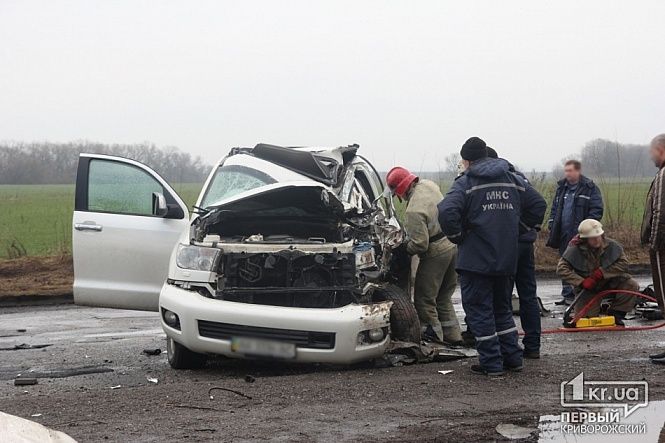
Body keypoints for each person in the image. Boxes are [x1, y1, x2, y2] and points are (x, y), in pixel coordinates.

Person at [438, 137, 544, 376]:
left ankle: (491, 363)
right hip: (507, 258)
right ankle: (513, 358)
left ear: (466, 160)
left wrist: (458, 235)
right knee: (502, 309)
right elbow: (538, 204)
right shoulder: (513, 179)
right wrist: (517, 230)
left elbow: (446, 211)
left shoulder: (466, 183)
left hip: (476, 261)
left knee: (479, 310)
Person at [385, 166, 464, 346]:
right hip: (453, 246)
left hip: (436, 253)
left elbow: (421, 244)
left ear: (400, 191)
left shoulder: (413, 211)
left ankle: (434, 339)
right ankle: (454, 336)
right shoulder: (429, 185)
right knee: (443, 297)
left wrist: (402, 249)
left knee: (424, 300)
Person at [487, 147, 547, 359]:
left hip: (510, 245)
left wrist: (517, 228)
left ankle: (508, 348)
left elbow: (539, 204)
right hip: (525, 245)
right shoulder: (518, 178)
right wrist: (527, 227)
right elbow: (538, 204)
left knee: (503, 298)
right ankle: (533, 346)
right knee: (528, 295)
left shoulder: (499, 180)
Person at [557, 219, 638, 326]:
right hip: (588, 288)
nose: (596, 240)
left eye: (598, 236)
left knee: (631, 284)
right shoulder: (574, 250)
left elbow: (623, 264)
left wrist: (603, 273)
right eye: (592, 238)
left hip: (610, 282)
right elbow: (561, 269)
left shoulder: (613, 246)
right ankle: (596, 309)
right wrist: (581, 282)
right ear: (585, 239)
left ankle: (616, 314)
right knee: (585, 320)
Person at [547, 160, 603, 305]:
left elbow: (596, 210)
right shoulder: (561, 189)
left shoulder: (589, 188)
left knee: (581, 264)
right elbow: (554, 208)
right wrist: (552, 223)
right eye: (566, 171)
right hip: (563, 233)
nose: (567, 174)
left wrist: (588, 229)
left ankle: (580, 294)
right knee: (564, 262)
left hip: (582, 235)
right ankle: (567, 295)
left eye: (570, 170)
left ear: (578, 171)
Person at [640, 134, 665, 365]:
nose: (651, 156)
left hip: (662, 248)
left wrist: (654, 243)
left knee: (664, 295)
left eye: (652, 151)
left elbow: (659, 212)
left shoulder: (663, 175)